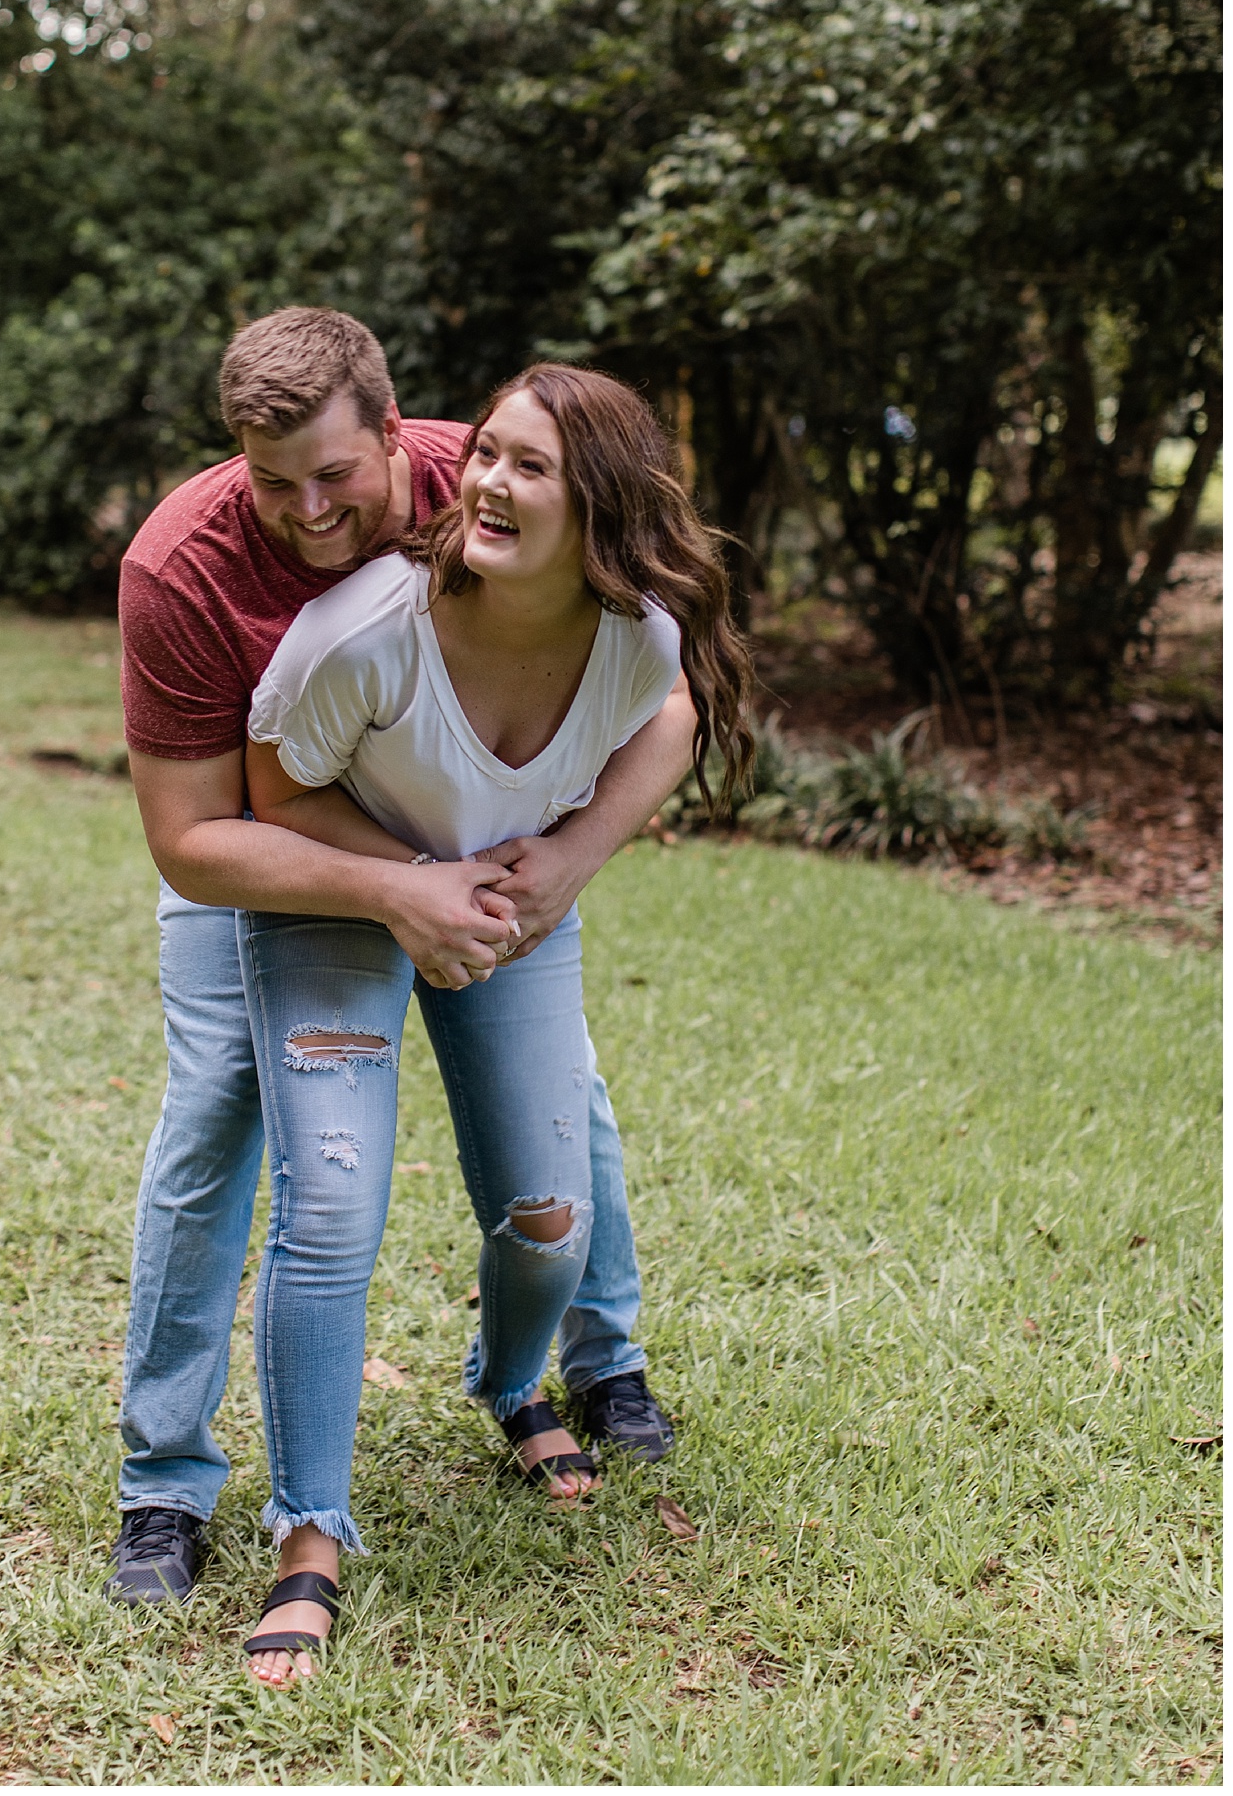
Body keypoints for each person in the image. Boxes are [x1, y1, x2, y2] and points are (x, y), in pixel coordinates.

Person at [108, 310, 699, 1618]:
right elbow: (193, 838)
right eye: (273, 485)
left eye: (337, 477)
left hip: (470, 849)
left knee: (559, 1103)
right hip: (274, 862)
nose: (310, 513)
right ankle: (165, 1484)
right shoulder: (181, 571)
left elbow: (655, 688)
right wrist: (393, 890)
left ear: (395, 437)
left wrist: (554, 863)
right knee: (217, 1115)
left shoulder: (480, 482)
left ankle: (597, 1362)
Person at [238, 362, 753, 1683]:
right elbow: (273, 797)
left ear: (602, 513)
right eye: (485, 455)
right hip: (338, 904)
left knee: (549, 1212)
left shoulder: (632, 637)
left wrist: (571, 859)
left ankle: (512, 1381)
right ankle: (308, 1536)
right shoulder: (366, 634)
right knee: (332, 1209)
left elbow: (668, 723)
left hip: (510, 911)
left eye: (531, 466)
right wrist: (406, 888)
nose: (485, 482)